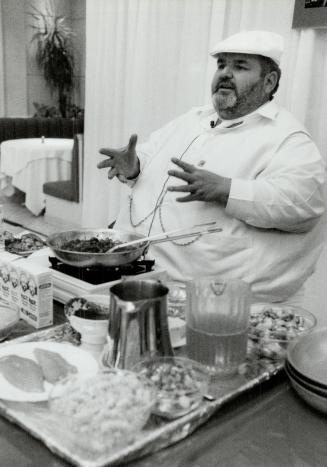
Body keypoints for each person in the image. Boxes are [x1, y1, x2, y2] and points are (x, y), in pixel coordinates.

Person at [97, 30, 326, 306]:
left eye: (239, 66)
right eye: (221, 65)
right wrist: (134, 167)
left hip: (219, 304)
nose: (225, 73)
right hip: (141, 278)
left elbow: (304, 205)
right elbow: (150, 153)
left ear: (269, 81)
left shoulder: (287, 137)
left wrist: (227, 190)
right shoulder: (194, 118)